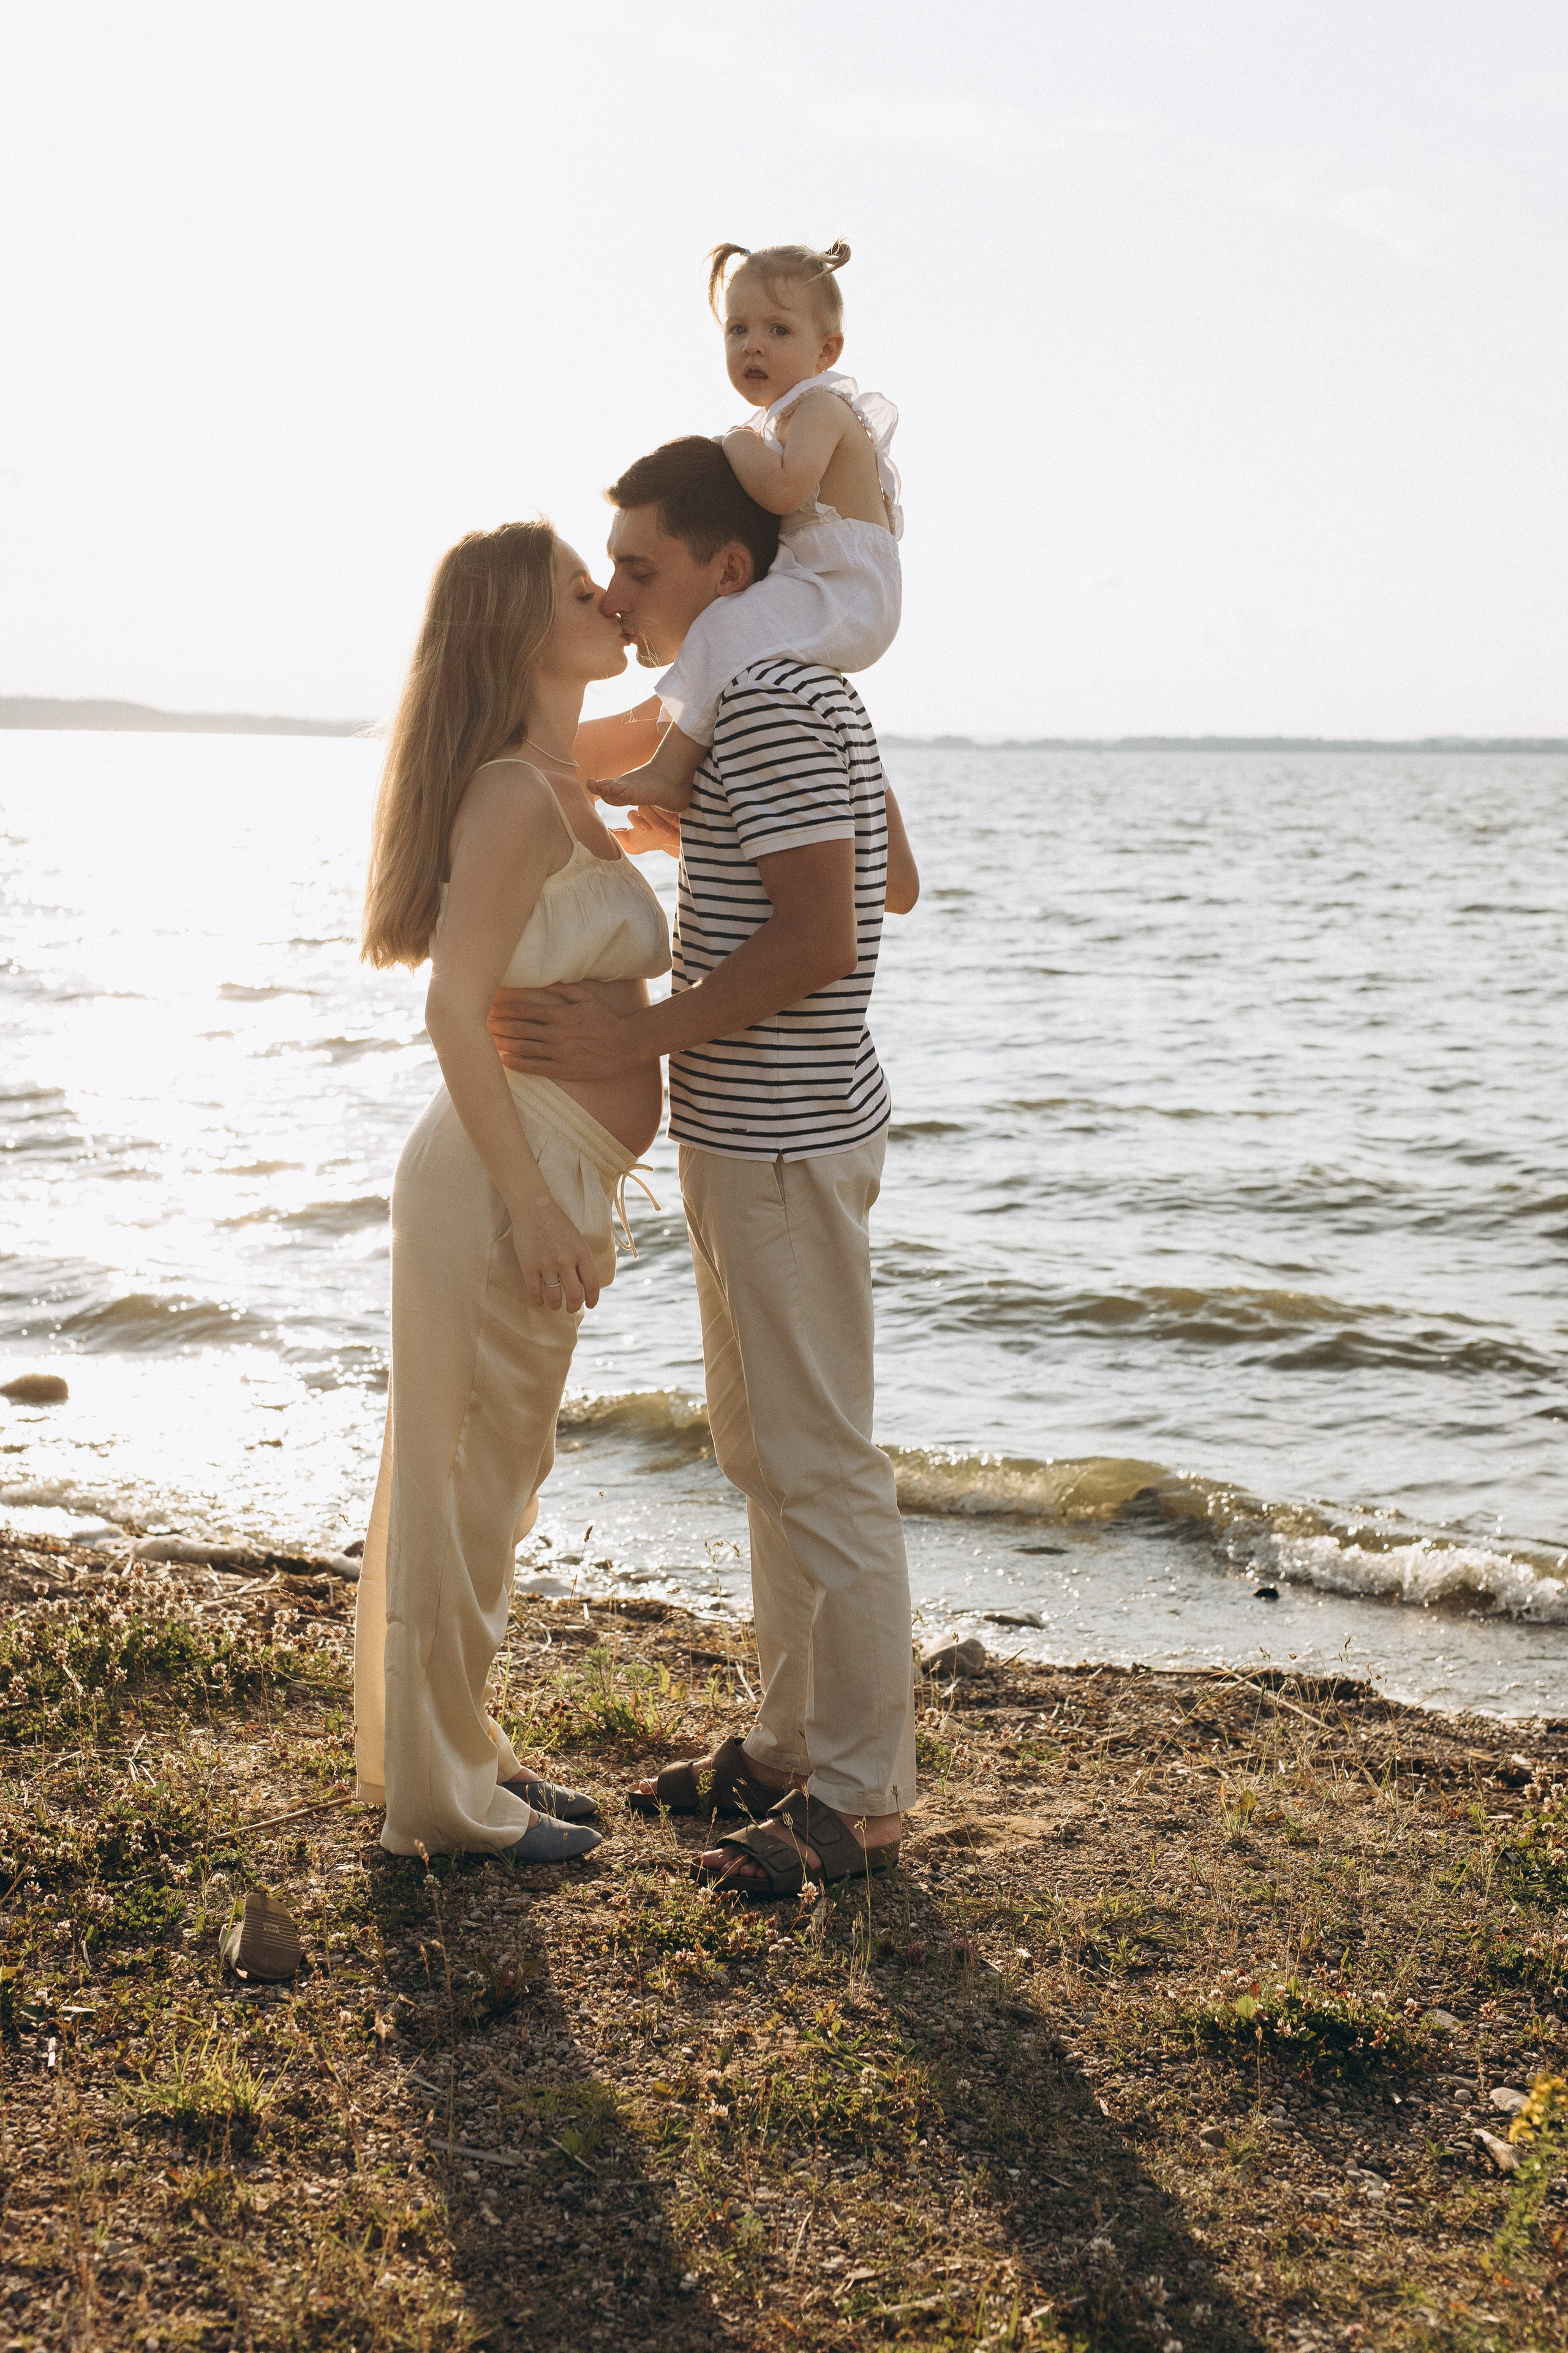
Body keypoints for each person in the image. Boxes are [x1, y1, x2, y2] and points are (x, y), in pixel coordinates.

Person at [488, 434, 921, 1897]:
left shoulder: (779, 701)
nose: (617, 595)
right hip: (756, 1129)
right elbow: (891, 875)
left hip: (785, 1132)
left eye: (639, 566)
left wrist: (641, 1018)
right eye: (606, 569)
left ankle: (859, 1799)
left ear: (728, 573)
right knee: (763, 1453)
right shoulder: (778, 699)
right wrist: (715, 823)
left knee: (818, 1460)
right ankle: (792, 1739)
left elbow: (826, 935)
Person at [353, 521, 671, 1863]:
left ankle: (460, 1755)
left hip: (538, 1167)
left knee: (493, 1475)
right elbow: (450, 1002)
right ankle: (441, 1803)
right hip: (503, 1179)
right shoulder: (510, 792)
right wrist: (536, 1211)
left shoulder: (556, 772)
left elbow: (688, 699)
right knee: (458, 1481)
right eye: (575, 587)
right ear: (515, 631)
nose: (605, 596)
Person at [597, 237, 902, 816]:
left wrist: (736, 441)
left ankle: (670, 768)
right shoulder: (785, 419)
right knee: (730, 636)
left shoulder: (820, 409)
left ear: (826, 351)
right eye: (738, 330)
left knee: (723, 630)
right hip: (826, 584)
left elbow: (784, 488)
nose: (753, 345)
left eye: (779, 331)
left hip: (849, 594)